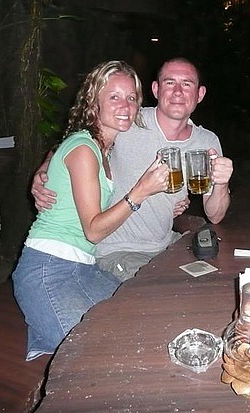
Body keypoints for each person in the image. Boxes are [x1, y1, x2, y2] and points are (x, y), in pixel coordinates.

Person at [13, 60, 169, 361]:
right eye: (114, 96)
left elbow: (60, 150)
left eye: (131, 97)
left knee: (136, 317)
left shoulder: (103, 147)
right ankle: (47, 331)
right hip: (48, 269)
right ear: (93, 102)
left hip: (84, 268)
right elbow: (93, 231)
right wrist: (141, 191)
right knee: (95, 353)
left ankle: (46, 331)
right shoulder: (86, 148)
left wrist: (47, 164)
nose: (125, 105)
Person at [32, 57, 233, 281]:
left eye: (187, 84)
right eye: (169, 82)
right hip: (119, 250)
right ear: (156, 89)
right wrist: (44, 169)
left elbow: (215, 215)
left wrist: (221, 183)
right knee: (167, 290)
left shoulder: (207, 142)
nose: (177, 91)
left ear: (200, 94)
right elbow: (76, 143)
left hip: (165, 244)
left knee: (217, 275)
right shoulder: (129, 120)